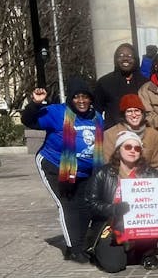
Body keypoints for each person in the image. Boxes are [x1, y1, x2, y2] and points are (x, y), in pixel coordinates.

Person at [21, 80, 104, 264]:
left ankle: (80, 243)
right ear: (70, 99)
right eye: (76, 97)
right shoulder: (57, 113)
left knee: (84, 206)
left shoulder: (97, 117)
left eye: (85, 97)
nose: (81, 100)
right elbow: (29, 120)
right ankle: (74, 249)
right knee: (68, 205)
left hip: (85, 171)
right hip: (55, 166)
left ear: (91, 99)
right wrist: (35, 103)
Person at [86, 131, 158, 272]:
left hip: (140, 225)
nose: (133, 151)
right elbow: (90, 203)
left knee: (149, 226)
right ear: (118, 149)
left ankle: (146, 252)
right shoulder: (103, 173)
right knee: (114, 266)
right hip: (111, 225)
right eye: (128, 147)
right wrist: (113, 208)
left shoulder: (150, 173)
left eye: (137, 148)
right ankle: (102, 250)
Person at [103, 94, 158, 169]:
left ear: (142, 113)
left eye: (137, 111)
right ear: (124, 114)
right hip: (119, 176)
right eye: (129, 111)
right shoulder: (110, 134)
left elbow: (155, 165)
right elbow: (109, 164)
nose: (134, 115)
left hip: (146, 177)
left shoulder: (154, 135)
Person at [94, 44, 143, 127]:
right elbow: (96, 112)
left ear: (136, 59)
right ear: (115, 59)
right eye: (121, 56)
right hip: (113, 133)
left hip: (140, 132)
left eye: (130, 56)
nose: (125, 58)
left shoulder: (144, 82)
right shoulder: (104, 82)